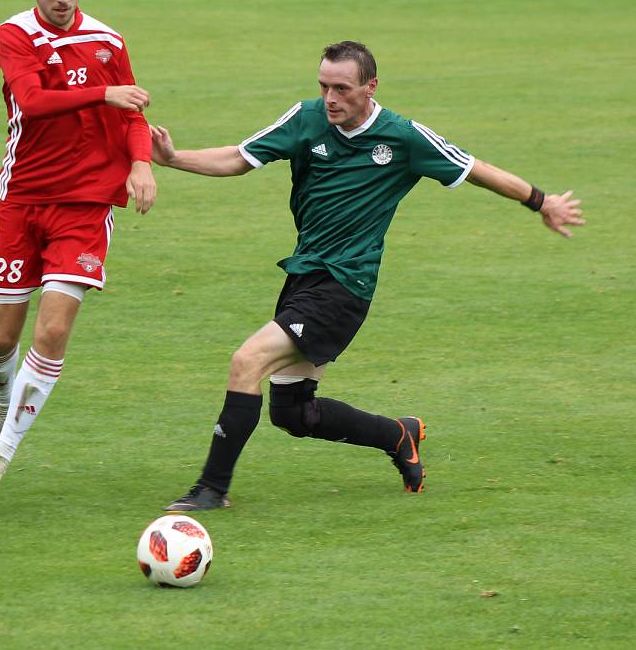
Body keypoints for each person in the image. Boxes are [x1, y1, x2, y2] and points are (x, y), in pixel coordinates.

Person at [150, 40, 584, 511]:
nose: (330, 98)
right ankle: (397, 435)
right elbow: (241, 157)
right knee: (294, 413)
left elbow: (475, 169)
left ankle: (212, 489)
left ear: (370, 87)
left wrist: (541, 201)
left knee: (246, 361)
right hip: (305, 275)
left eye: (342, 88)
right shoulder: (306, 118)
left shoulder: (403, 137)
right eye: (323, 86)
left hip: (345, 285)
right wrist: (174, 158)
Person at [0, 0, 156, 503]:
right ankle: (1, 399)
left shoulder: (108, 40)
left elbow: (134, 113)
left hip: (86, 206)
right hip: (22, 199)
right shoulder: (15, 34)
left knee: (52, 331)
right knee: (1, 341)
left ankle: (0, 459)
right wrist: (103, 94)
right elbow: (32, 100)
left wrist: (140, 165)